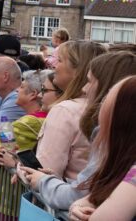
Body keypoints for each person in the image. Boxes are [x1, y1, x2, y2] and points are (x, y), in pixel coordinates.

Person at [24, 51, 136, 211]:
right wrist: (59, 183)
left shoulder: (66, 112)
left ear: (109, 89)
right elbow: (93, 190)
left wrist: (43, 182)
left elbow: (82, 193)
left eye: (90, 81)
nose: (84, 89)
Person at [65, 77, 136, 221]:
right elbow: (93, 197)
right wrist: (77, 208)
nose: (84, 89)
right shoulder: (122, 164)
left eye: (106, 99)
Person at [0, 70, 50, 216]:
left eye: (22, 87)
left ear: (33, 94)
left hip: (10, 201)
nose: (17, 90)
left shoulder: (27, 123)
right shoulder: (36, 119)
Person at [35, 40, 105, 181]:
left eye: (59, 60)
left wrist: (18, 167)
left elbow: (46, 171)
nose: (53, 65)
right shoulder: (106, 107)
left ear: (77, 71)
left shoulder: (65, 111)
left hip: (61, 199)